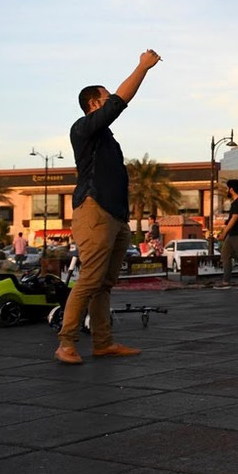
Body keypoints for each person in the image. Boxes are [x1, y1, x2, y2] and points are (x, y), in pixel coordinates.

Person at [55, 49, 160, 365]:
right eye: (106, 98)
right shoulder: (83, 128)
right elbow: (120, 103)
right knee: (89, 279)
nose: (112, 98)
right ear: (94, 105)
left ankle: (102, 342)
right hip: (94, 211)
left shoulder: (105, 138)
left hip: (114, 216)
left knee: (103, 283)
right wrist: (143, 67)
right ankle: (66, 343)